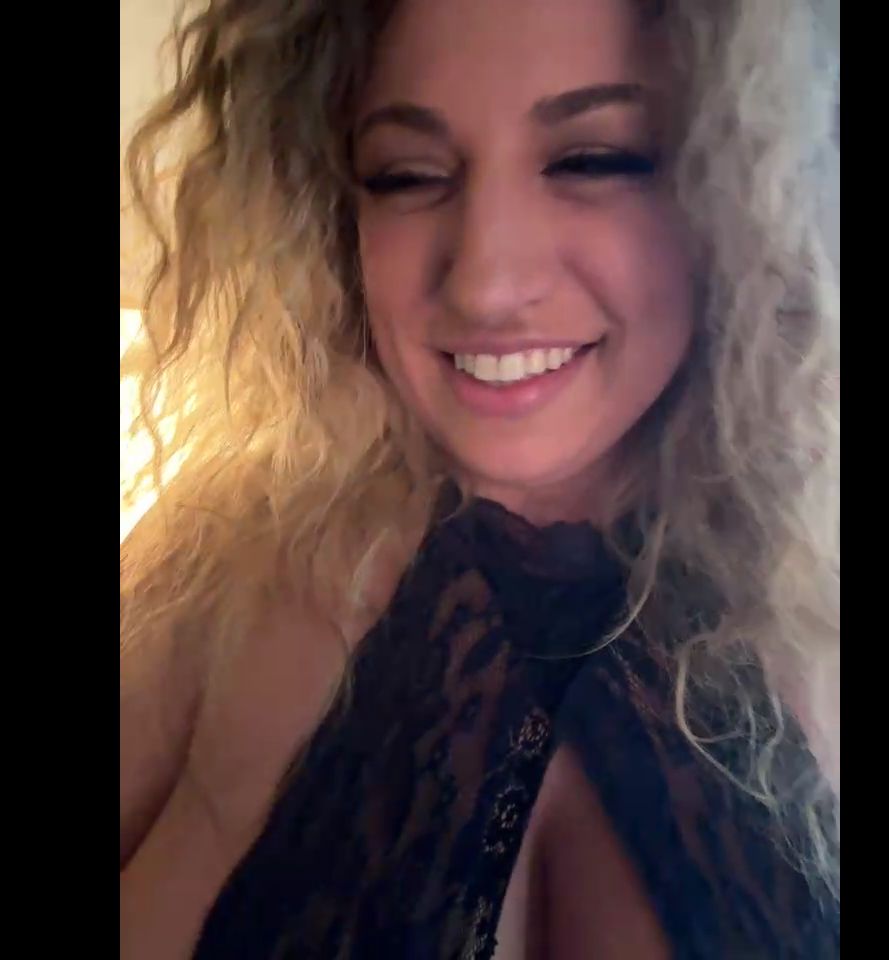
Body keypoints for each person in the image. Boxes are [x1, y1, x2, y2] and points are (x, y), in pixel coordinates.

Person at [119, 0, 840, 956]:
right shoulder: (219, 571)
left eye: (595, 159)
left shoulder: (821, 623)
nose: (484, 285)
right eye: (406, 175)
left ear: (744, 196)